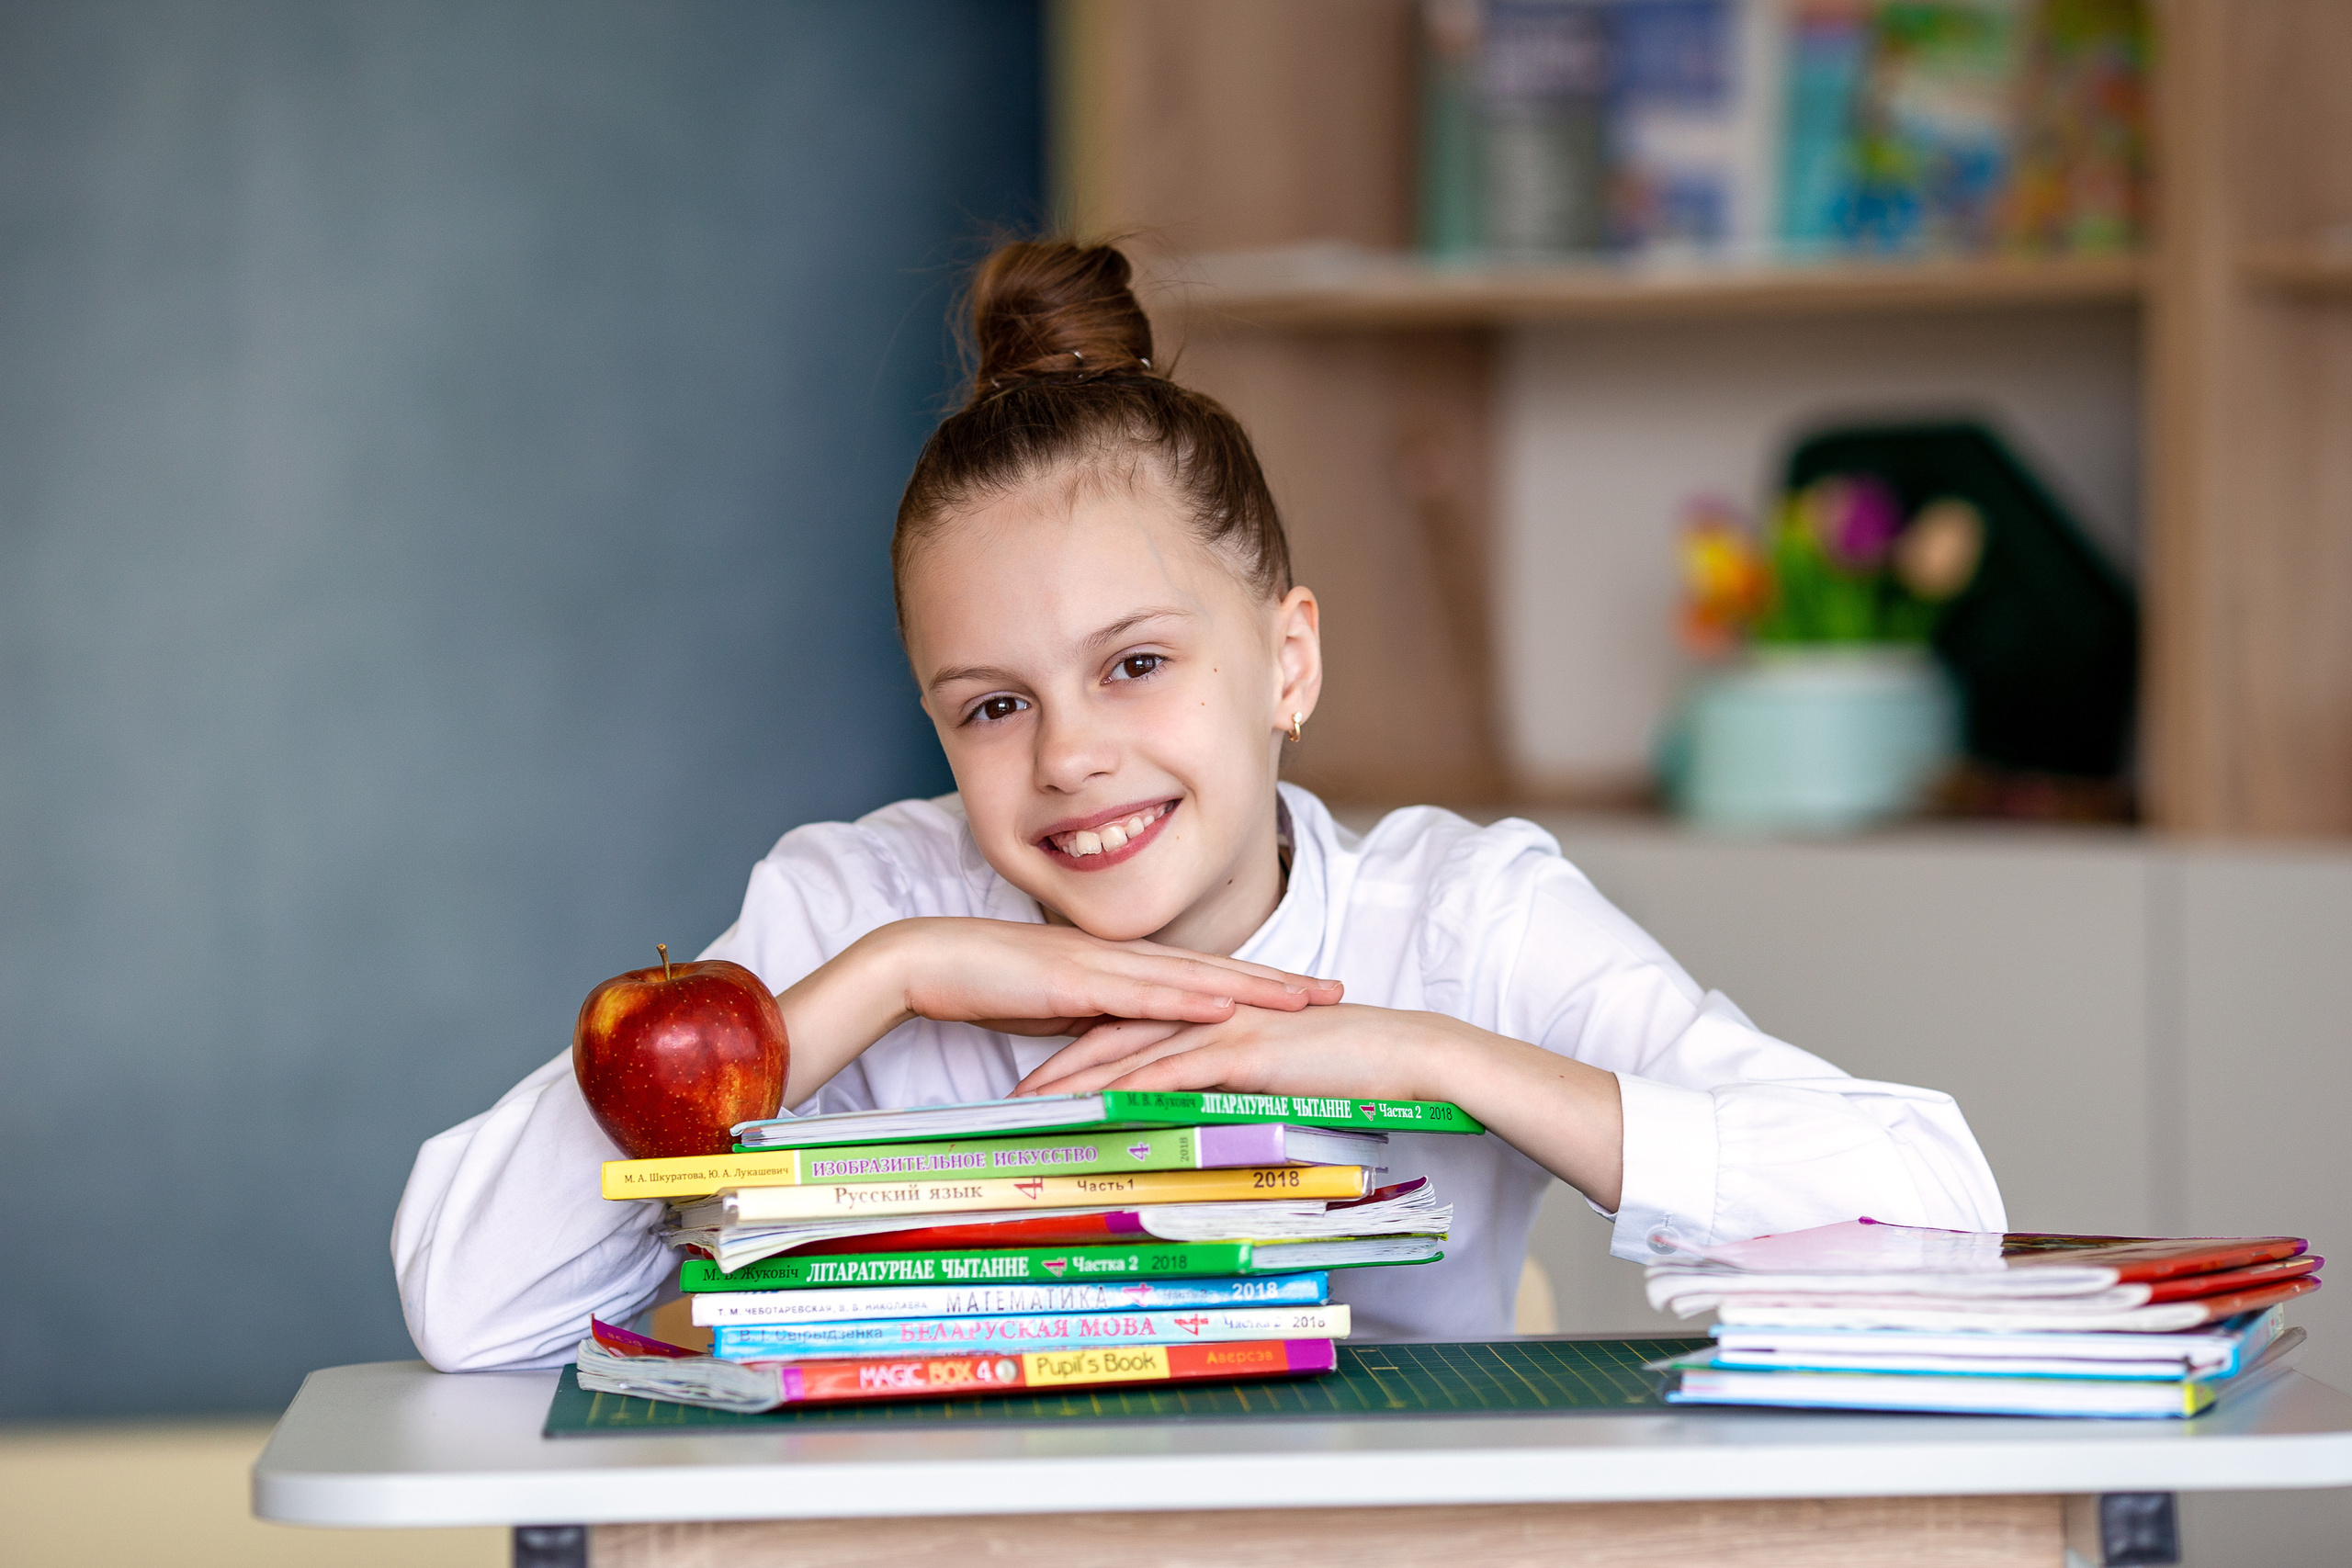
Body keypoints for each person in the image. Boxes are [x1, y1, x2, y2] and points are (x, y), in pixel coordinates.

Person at [393, 241, 2005, 1372]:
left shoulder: (1462, 918)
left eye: (1138, 664)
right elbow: (473, 1306)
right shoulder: (861, 906)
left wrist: (1426, 1056)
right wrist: (880, 987)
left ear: (1286, 661)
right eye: (994, 707)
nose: (1071, 756)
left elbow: (1936, 1204)